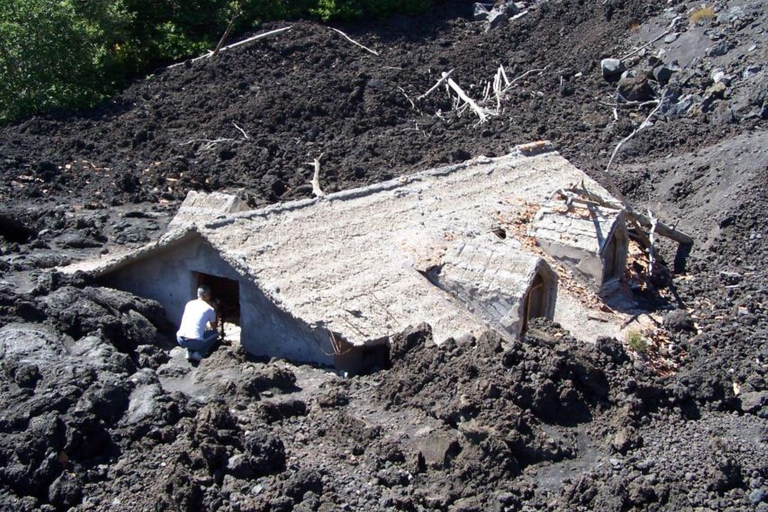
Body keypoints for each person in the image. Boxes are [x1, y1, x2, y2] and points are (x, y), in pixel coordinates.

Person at [177, 285, 219, 362]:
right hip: (195, 342)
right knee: (215, 334)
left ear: (197, 294)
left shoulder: (189, 303)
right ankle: (199, 354)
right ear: (208, 296)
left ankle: (189, 352)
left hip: (180, 339)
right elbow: (214, 327)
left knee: (193, 330)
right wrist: (215, 311)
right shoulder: (210, 309)